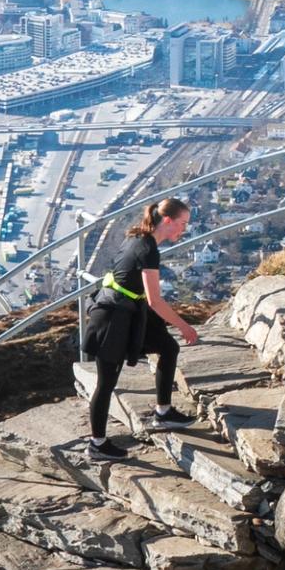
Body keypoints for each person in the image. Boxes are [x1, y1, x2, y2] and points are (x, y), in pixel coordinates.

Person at [82, 196, 198, 457]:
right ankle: (97, 444)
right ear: (167, 221)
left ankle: (163, 412)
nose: (184, 229)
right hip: (111, 317)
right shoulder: (147, 249)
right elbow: (156, 300)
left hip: (130, 310)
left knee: (167, 347)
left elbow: (142, 293)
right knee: (106, 382)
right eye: (182, 223)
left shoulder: (139, 238)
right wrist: (184, 326)